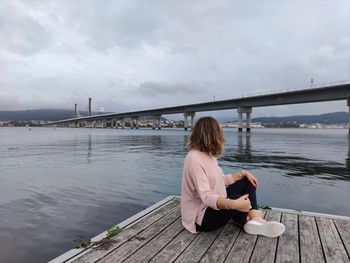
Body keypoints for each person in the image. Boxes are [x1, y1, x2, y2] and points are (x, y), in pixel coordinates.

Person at [181, 116, 285, 237]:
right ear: (213, 134)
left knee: (246, 181)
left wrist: (242, 174)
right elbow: (205, 195)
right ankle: (247, 220)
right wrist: (234, 204)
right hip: (200, 219)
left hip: (212, 206)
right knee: (236, 199)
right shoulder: (194, 157)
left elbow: (220, 181)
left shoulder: (209, 156)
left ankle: (255, 219)